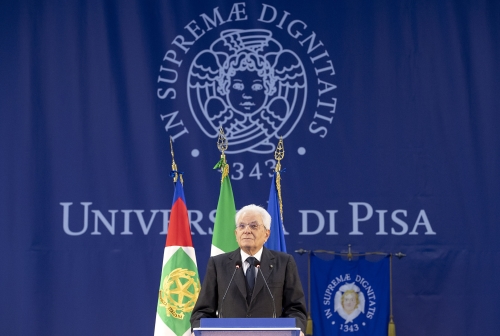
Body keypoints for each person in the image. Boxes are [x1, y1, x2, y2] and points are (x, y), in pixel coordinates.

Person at [190, 204, 307, 334]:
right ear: (236, 233)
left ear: (266, 234)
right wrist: (199, 330)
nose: (246, 230)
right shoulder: (218, 264)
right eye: (242, 226)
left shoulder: (284, 263)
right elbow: (202, 311)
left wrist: (297, 331)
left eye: (253, 226)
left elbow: (296, 309)